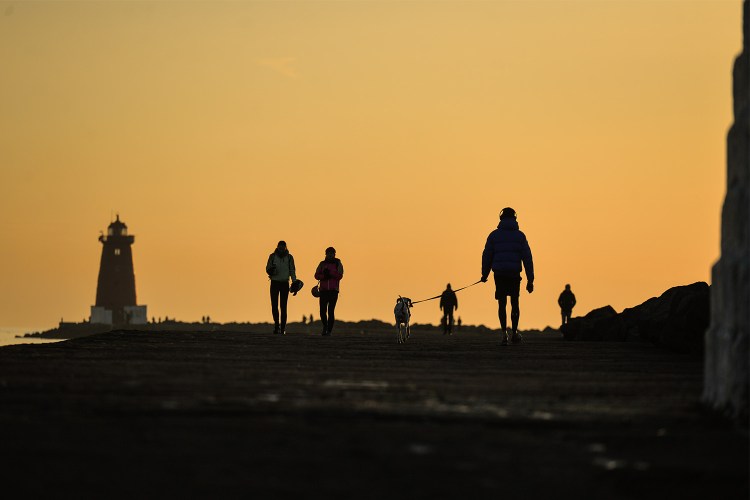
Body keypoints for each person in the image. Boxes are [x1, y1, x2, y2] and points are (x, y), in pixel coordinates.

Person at [481, 207, 534, 346]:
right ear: (515, 218)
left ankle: (504, 333)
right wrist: (530, 280)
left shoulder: (493, 236)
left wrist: (484, 274)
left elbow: (487, 256)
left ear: (501, 218)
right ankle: (514, 332)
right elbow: (527, 258)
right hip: (514, 274)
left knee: (501, 304)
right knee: (515, 303)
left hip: (499, 275)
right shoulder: (520, 236)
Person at [266, 240, 297, 335]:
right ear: (277, 247)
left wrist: (294, 282)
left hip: (284, 283)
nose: (281, 249)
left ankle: (282, 328)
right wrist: (271, 270)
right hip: (274, 283)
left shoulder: (289, 257)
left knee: (283, 306)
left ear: (285, 248)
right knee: (274, 306)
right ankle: (277, 325)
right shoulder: (272, 256)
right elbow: (267, 268)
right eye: (280, 247)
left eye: (283, 247)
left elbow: (292, 270)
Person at [314, 247, 344, 336]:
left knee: (331, 311)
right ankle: (325, 327)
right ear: (326, 254)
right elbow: (316, 275)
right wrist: (324, 276)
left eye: (332, 253)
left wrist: (330, 273)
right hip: (323, 291)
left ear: (334, 254)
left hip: (333, 291)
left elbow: (340, 275)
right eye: (328, 253)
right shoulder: (322, 264)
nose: (330, 255)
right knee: (322, 311)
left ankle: (329, 331)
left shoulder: (338, 263)